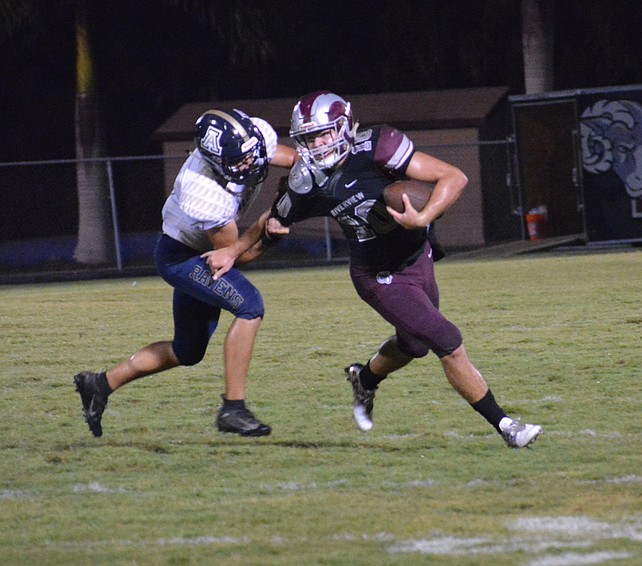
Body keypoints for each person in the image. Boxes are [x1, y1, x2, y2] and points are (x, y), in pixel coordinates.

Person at [205, 92, 542, 448]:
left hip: (418, 257)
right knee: (447, 341)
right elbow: (269, 221)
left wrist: (423, 217)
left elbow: (453, 177)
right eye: (309, 138)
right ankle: (506, 426)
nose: (318, 145)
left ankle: (364, 379)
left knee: (414, 345)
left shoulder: (379, 147)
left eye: (325, 134)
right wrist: (235, 250)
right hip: (379, 276)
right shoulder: (307, 182)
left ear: (345, 127)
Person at [74, 108, 297, 438]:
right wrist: (268, 235)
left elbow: (295, 160)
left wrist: (313, 178)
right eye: (238, 162)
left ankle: (100, 384)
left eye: (250, 156)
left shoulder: (254, 140)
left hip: (202, 252)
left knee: (188, 351)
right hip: (182, 258)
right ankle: (233, 409)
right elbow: (234, 256)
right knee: (250, 306)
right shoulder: (203, 192)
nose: (249, 165)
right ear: (215, 160)